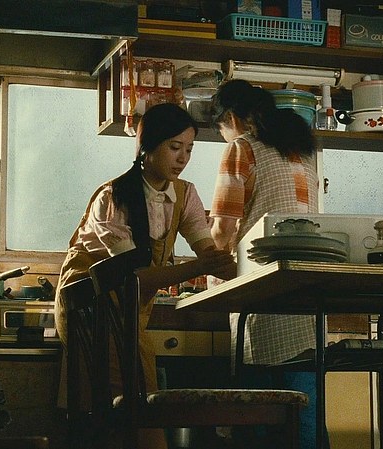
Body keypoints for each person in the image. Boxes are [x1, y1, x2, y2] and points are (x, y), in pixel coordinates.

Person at [54, 102, 237, 449]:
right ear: (146, 147)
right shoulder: (113, 197)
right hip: (91, 310)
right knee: (130, 402)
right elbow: (136, 277)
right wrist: (201, 267)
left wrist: (246, 267)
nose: (183, 158)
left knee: (129, 401)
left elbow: (208, 253)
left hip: (128, 310)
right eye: (174, 147)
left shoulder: (184, 194)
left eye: (189, 149)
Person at [209, 79, 323, 449]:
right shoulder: (301, 150)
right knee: (304, 407)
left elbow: (222, 229)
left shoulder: (241, 147)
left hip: (262, 286)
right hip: (307, 288)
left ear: (230, 119)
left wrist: (207, 264)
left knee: (258, 411)